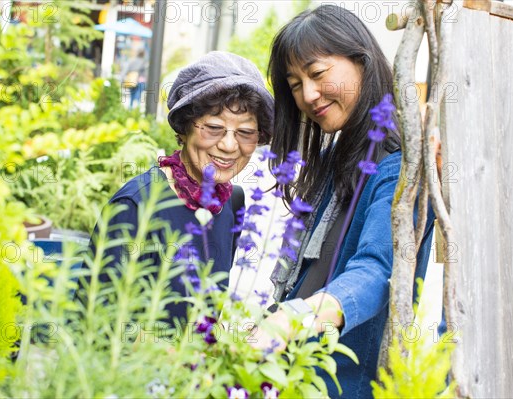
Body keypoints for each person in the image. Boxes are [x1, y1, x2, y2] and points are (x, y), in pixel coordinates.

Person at [251, 5, 436, 398]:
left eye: (317, 74)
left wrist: (293, 319)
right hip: (297, 379)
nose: (308, 95)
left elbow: (377, 270)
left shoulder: (400, 162)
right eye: (296, 84)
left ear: (362, 62)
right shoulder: (342, 154)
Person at [79, 51, 274, 321]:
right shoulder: (135, 206)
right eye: (213, 128)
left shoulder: (231, 202)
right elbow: (93, 322)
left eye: (245, 133)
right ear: (183, 129)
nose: (229, 145)